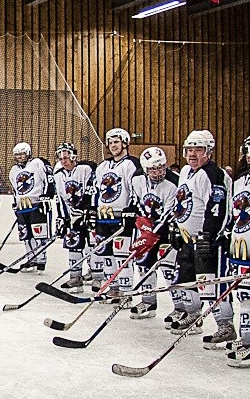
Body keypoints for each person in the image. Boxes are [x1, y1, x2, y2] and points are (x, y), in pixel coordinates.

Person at [167, 129, 232, 341]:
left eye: (199, 149)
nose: (193, 154)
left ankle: (225, 325)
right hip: (187, 239)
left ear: (209, 152)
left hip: (206, 241)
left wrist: (209, 235)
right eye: (189, 149)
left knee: (210, 284)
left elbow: (217, 208)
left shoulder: (212, 174)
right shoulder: (186, 172)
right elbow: (183, 202)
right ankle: (194, 316)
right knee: (186, 279)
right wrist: (176, 227)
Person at [124, 147, 178, 320]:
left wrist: (153, 233)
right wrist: (141, 224)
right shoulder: (137, 178)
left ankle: (180, 307)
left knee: (169, 269)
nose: (158, 172)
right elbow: (136, 202)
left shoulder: (174, 182)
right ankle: (148, 302)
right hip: (147, 227)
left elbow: (169, 213)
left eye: (161, 167)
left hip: (168, 230)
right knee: (143, 264)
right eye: (153, 169)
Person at [92, 128, 141, 302]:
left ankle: (125, 293)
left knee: (122, 255)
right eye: (110, 143)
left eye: (116, 142)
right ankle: (113, 288)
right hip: (103, 218)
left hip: (122, 218)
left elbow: (136, 190)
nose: (113, 146)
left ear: (125, 143)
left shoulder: (132, 164)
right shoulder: (102, 166)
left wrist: (132, 211)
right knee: (106, 253)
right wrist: (92, 210)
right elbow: (97, 191)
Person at [225, 131, 250, 367]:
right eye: (247, 150)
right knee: (245, 294)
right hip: (241, 247)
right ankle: (249, 338)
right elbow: (234, 214)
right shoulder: (241, 180)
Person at [51, 143, 96, 288]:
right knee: (73, 244)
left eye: (66, 157)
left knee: (93, 245)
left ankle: (96, 277)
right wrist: (63, 217)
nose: (63, 161)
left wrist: (86, 211)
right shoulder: (58, 175)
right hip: (72, 217)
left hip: (88, 214)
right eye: (61, 158)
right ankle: (75, 277)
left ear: (73, 156)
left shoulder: (85, 169)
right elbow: (60, 198)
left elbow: (92, 191)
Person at [8, 142, 52, 271]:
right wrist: (15, 203)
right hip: (22, 206)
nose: (20, 157)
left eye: (22, 154)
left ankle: (41, 259)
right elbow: (15, 190)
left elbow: (49, 180)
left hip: (37, 204)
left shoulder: (38, 163)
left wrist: (47, 196)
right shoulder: (14, 170)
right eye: (17, 155)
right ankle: (31, 258)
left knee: (39, 233)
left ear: (28, 153)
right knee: (25, 234)